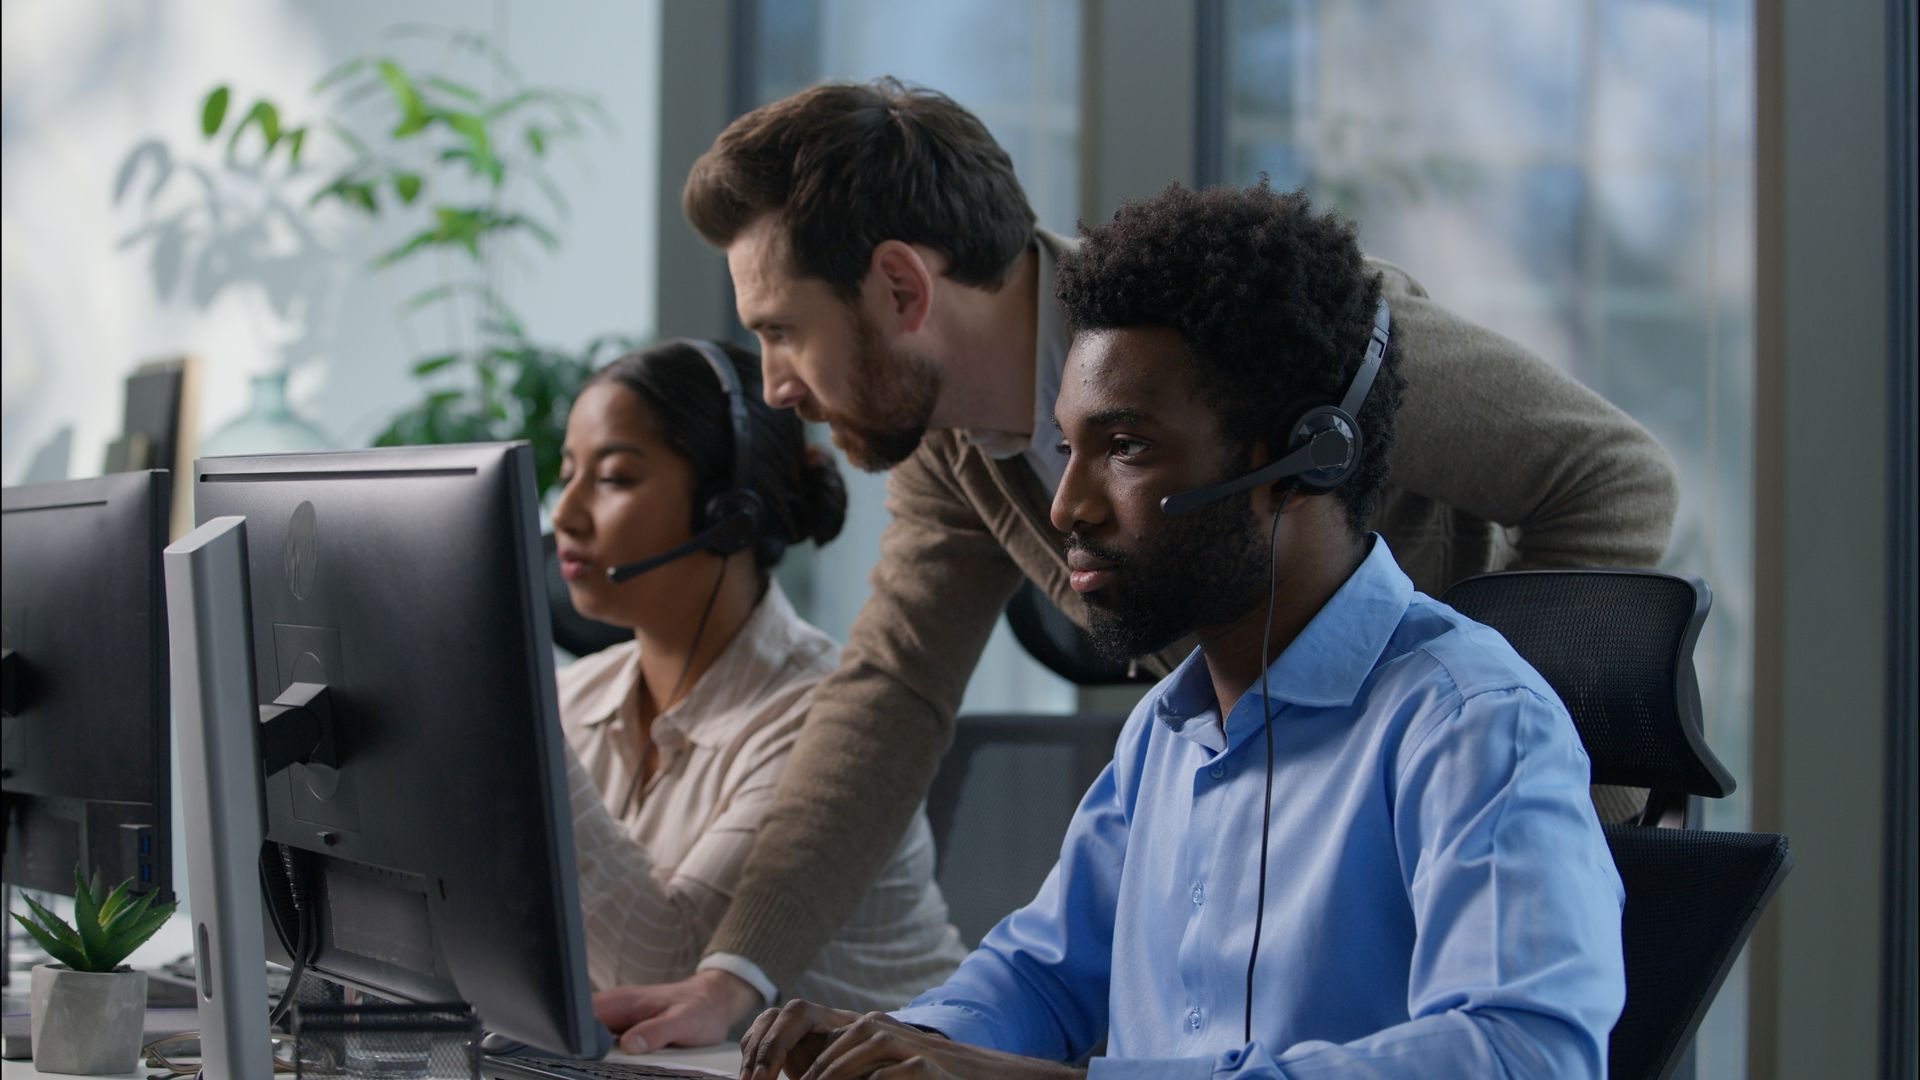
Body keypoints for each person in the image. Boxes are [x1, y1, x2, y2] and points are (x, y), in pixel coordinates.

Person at [595, 78, 1673, 1050]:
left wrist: (1520, 763)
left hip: (1417, 857)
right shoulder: (1149, 708)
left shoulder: (1271, 334)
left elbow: (1615, 477)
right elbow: (892, 697)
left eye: (783, 330)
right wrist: (750, 979)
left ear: (900, 288)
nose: (774, 385)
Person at [549, 340, 966, 1052]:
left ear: (728, 510)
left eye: (614, 478)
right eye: (567, 476)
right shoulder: (577, 695)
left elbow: (670, 981)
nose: (565, 513)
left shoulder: (827, 719)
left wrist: (524, 748)